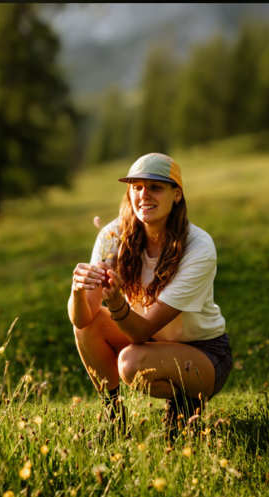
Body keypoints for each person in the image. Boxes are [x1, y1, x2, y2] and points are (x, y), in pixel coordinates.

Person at [67, 152, 232, 440]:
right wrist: (78, 289)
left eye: (155, 187)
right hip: (147, 341)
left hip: (203, 352)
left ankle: (185, 405)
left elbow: (142, 331)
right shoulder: (112, 236)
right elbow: (82, 320)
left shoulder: (198, 246)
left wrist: (117, 302)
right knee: (88, 327)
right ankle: (113, 418)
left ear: (176, 194)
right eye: (137, 187)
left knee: (131, 362)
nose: (144, 195)